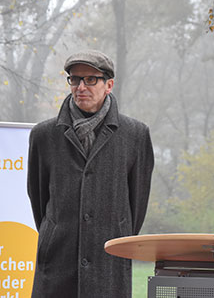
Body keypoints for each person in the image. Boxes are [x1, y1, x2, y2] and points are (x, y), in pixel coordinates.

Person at [27, 49, 154, 297]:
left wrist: (116, 233)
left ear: (109, 85)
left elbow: (136, 205)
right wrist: (55, 232)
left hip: (109, 260)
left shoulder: (135, 135)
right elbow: (39, 200)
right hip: (57, 260)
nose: (80, 86)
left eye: (90, 79)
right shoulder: (44, 136)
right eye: (74, 79)